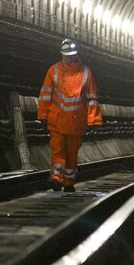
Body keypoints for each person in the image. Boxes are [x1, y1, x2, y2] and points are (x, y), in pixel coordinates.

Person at [37, 38, 102, 192]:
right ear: (62, 55)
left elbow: (92, 97)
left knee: (72, 153)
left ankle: (69, 182)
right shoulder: (53, 71)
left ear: (76, 55)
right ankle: (56, 178)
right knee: (57, 149)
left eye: (71, 55)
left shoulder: (85, 72)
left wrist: (92, 121)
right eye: (66, 55)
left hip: (75, 122)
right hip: (57, 120)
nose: (69, 58)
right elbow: (45, 94)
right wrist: (43, 116)